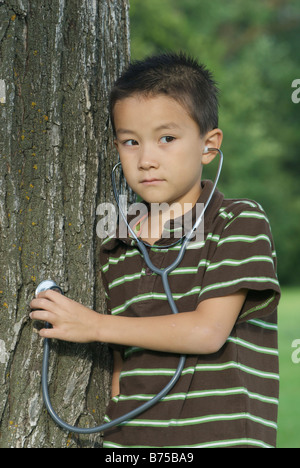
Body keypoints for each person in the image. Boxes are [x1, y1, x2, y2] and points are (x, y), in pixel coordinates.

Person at [30, 52, 281, 448]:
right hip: (130, 442)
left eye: (167, 138)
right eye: (131, 142)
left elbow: (207, 332)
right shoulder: (116, 242)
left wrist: (92, 325)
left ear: (209, 146)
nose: (146, 159)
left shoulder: (237, 221)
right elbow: (121, 360)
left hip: (219, 439)